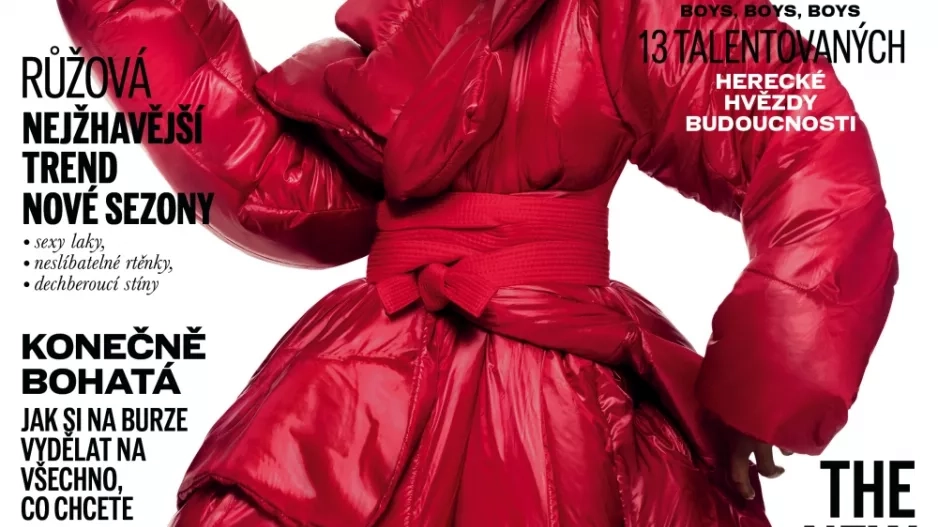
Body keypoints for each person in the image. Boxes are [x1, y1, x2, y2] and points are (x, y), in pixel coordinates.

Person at [57, 0, 898, 525]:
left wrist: (772, 382)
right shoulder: (410, 20)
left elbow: (801, 136)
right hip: (395, 369)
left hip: (493, 386)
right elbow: (285, 188)